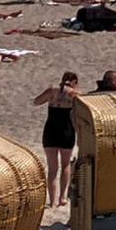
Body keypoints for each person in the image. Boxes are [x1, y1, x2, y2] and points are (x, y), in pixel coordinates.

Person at [33, 71, 79, 207]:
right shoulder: (75, 94)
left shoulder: (52, 90)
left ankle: (52, 200)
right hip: (66, 131)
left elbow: (37, 101)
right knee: (65, 165)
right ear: (74, 82)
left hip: (50, 130)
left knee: (52, 168)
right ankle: (62, 197)